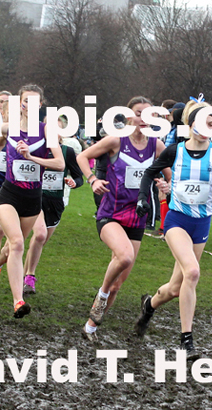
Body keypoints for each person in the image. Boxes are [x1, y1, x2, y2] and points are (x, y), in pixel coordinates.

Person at [134, 100, 212, 359]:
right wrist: (142, 198)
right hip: (177, 221)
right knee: (192, 272)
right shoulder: (175, 151)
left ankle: (149, 305)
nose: (207, 128)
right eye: (203, 123)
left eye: (211, 124)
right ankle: (187, 341)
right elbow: (149, 173)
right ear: (191, 124)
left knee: (175, 288)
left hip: (201, 224)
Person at [76, 96, 166, 342]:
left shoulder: (156, 146)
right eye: (138, 113)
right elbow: (82, 157)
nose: (143, 119)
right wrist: (92, 180)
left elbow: (169, 175)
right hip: (111, 214)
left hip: (136, 219)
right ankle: (101, 295)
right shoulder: (116, 140)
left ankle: (90, 327)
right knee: (124, 257)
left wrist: (165, 185)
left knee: (118, 283)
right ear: (128, 116)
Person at [0, 84, 64, 318]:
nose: (29, 106)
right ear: (20, 104)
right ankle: (18, 301)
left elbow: (60, 163)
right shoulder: (9, 128)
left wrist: (31, 157)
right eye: (25, 102)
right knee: (17, 244)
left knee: (10, 248)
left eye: (34, 102)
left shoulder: (46, 131)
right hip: (8, 194)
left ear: (40, 105)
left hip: (32, 198)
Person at [22, 115, 84, 294]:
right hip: (34, 198)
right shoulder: (35, 149)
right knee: (39, 235)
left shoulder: (67, 152)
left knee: (39, 241)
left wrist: (73, 182)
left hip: (55, 202)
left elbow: (79, 177)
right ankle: (29, 276)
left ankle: (23, 277)